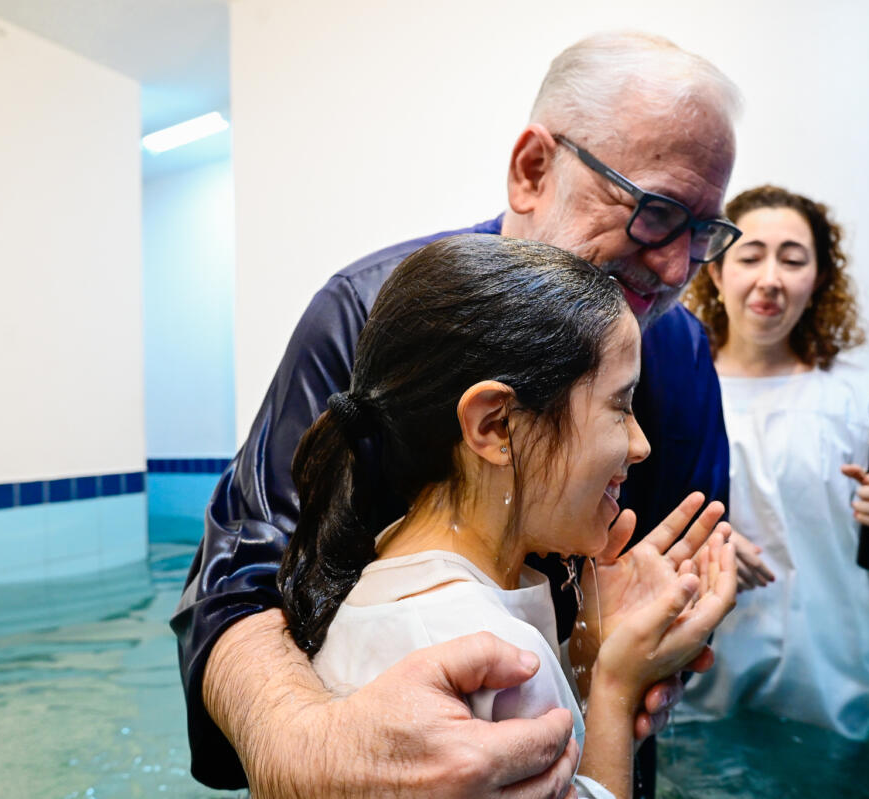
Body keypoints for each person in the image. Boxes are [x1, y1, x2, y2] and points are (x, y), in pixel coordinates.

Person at [172, 31, 746, 797]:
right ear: (533, 169)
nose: (677, 267)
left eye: (703, 233)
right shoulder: (368, 313)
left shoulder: (680, 349)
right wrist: (305, 745)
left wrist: (621, 666)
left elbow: (673, 575)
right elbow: (242, 576)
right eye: (655, 212)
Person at [283, 233, 738, 799]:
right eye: (620, 407)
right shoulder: (485, 654)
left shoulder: (388, 566)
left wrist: (586, 657)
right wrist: (617, 690)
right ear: (495, 425)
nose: (641, 444)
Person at [677, 184, 869, 740]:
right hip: (700, 688)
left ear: (820, 278)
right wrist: (697, 544)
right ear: (716, 272)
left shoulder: (858, 401)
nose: (770, 280)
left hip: (837, 686)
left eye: (793, 260)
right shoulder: (677, 390)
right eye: (750, 257)